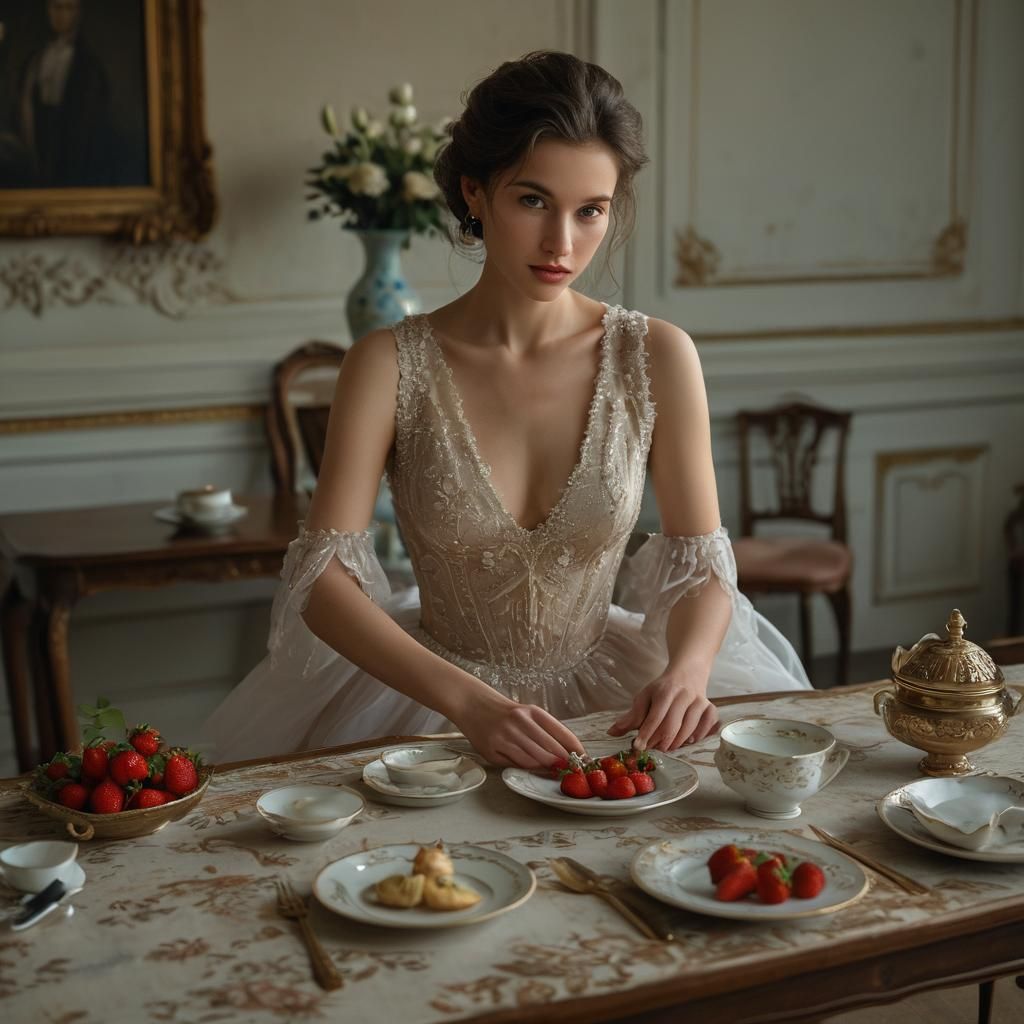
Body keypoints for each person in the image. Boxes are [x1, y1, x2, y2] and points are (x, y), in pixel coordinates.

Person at [205, 50, 810, 768]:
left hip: (614, 702)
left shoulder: (658, 357)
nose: (562, 243)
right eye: (532, 201)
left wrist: (687, 671)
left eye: (591, 212)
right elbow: (321, 583)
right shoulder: (385, 364)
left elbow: (701, 567)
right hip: (431, 706)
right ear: (474, 192)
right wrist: (466, 703)